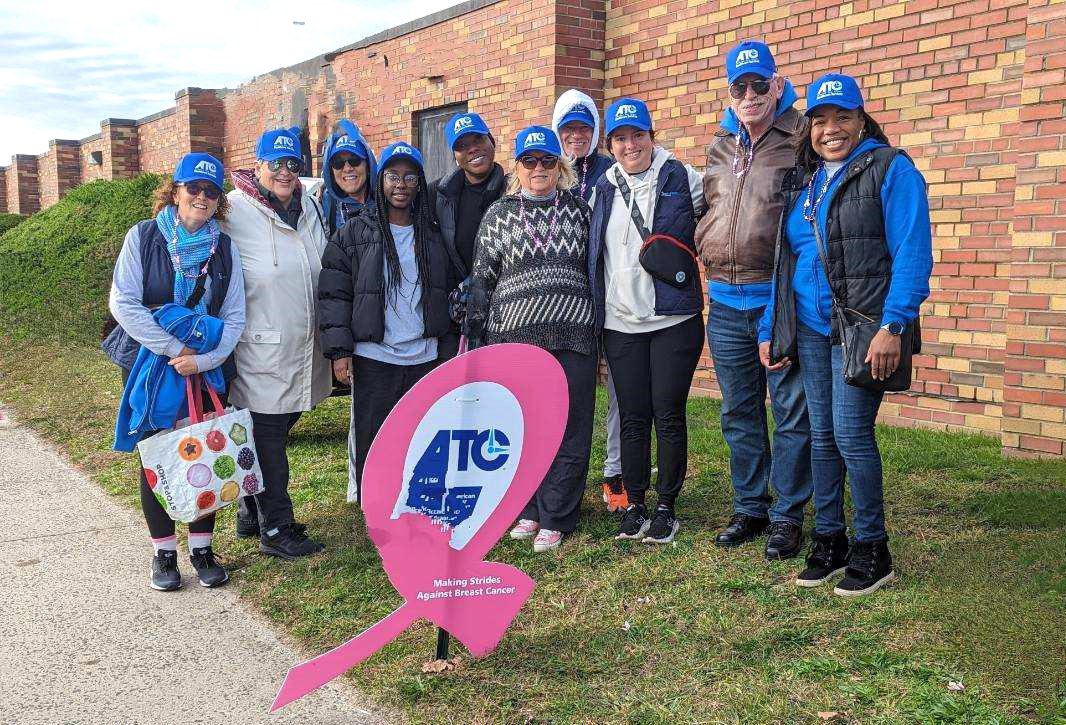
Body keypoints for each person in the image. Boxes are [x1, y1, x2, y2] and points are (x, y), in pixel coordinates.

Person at [758, 73, 932, 596]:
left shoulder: (891, 169)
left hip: (862, 331)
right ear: (808, 125)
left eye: (843, 118)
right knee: (822, 438)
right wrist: (772, 327)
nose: (830, 129)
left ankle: (872, 548)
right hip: (811, 330)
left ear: (862, 120)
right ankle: (829, 540)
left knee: (851, 435)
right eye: (820, 119)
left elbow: (912, 253)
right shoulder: (807, 182)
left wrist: (893, 325)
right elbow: (785, 262)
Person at [694, 40, 812, 559]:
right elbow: (709, 205)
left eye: (758, 84)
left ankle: (788, 516)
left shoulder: (800, 138)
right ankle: (750, 506)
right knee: (739, 411)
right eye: (739, 86)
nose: (749, 94)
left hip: (776, 297)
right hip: (723, 302)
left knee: (788, 410)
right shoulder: (720, 144)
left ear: (777, 84)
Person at [106, 152, 244, 590]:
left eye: (210, 191)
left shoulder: (225, 248)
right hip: (152, 365)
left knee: (205, 449)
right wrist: (173, 348)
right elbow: (123, 302)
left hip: (204, 370)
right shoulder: (143, 237)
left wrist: (203, 359)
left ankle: (202, 547)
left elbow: (235, 314)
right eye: (193, 188)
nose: (201, 197)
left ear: (218, 199)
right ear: (176, 190)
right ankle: (164, 554)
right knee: (158, 456)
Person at [466, 126, 595, 553]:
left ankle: (557, 514)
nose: (538, 169)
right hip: (514, 340)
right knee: (524, 429)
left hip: (573, 334)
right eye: (530, 161)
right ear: (517, 167)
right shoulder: (498, 214)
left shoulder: (580, 211)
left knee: (570, 426)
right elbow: (482, 281)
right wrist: (478, 343)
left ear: (560, 166)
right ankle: (529, 507)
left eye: (547, 161)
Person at [589, 97, 706, 544]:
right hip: (621, 323)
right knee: (633, 416)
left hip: (673, 319)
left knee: (667, 412)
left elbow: (715, 213)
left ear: (651, 136)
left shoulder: (680, 176)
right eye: (620, 138)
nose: (629, 144)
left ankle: (665, 507)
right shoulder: (603, 186)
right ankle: (634, 504)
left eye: (637, 135)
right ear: (610, 144)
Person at [319, 142, 457, 501]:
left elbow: (445, 291)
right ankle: (376, 504)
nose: (401, 184)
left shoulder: (431, 233)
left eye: (410, 176)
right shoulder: (353, 233)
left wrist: (445, 345)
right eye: (393, 175)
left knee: (422, 434)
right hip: (375, 356)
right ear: (380, 180)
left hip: (424, 355)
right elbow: (335, 294)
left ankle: (417, 501)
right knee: (374, 435)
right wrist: (339, 352)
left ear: (419, 182)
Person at [224, 127, 333, 560]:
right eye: (276, 164)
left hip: (304, 344)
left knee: (277, 427)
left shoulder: (309, 206)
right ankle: (276, 525)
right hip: (259, 346)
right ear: (258, 164)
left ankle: (250, 505)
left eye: (293, 164)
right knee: (268, 438)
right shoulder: (233, 210)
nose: (285, 172)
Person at [552, 89, 626, 513]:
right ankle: (557, 476)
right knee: (565, 392)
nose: (575, 136)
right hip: (565, 304)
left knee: (618, 388)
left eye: (583, 127)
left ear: (595, 131)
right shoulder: (548, 170)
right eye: (568, 128)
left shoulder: (609, 171)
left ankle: (614, 472)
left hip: (608, 295)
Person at [317, 120, 378, 239]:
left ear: (368, 164)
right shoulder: (323, 205)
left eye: (354, 160)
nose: (347, 168)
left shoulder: (384, 200)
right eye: (338, 163)